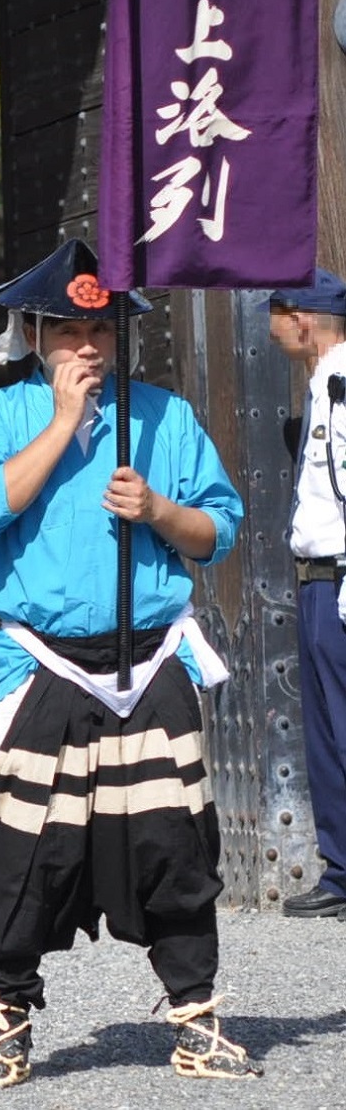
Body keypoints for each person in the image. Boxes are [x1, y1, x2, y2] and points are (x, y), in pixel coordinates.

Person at [0, 239, 258, 1088]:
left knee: (174, 847)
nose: (86, 346)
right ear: (34, 333)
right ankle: (5, 1028)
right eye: (68, 330)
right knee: (22, 854)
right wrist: (58, 423)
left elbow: (218, 529)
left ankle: (195, 1020)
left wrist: (158, 508)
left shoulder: (163, 416)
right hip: (42, 661)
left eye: (100, 329)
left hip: (149, 661)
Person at [265, 267, 346, 919]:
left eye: (275, 313)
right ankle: (340, 867)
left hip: (339, 580)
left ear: (299, 320)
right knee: (324, 734)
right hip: (320, 582)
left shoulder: (340, 387)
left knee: (340, 731)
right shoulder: (323, 385)